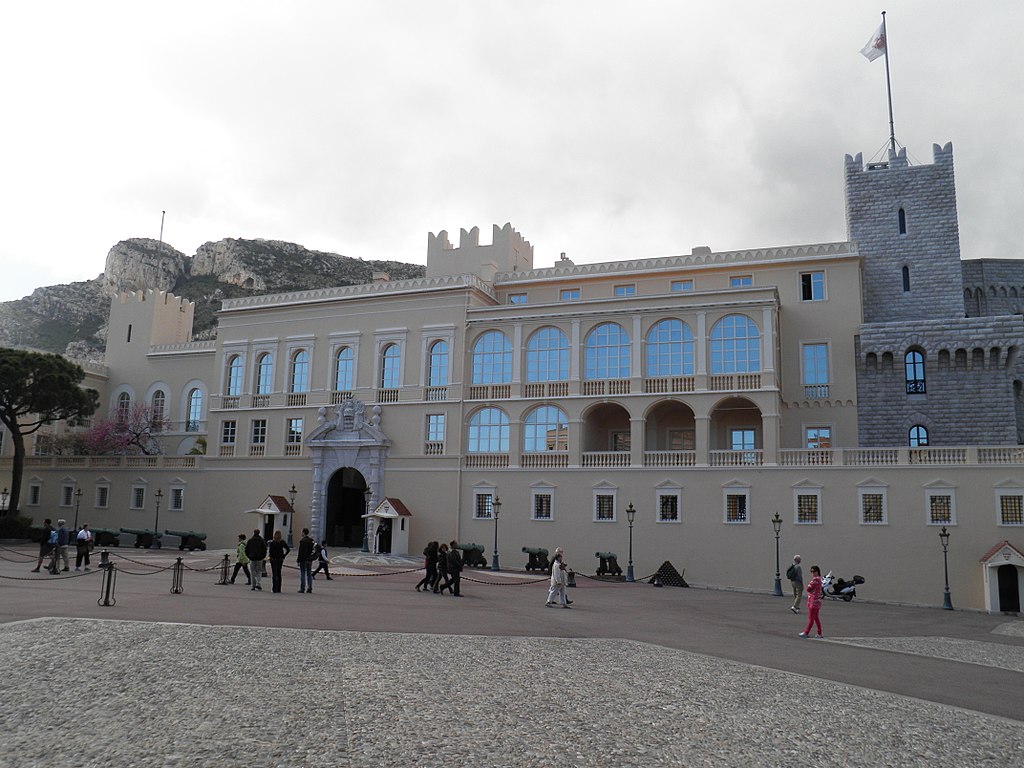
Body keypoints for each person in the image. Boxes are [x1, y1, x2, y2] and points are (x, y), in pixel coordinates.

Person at [799, 565, 824, 638]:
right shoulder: (819, 579)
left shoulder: (815, 580)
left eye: (814, 571)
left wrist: (809, 586)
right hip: (817, 601)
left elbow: (808, 589)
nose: (813, 573)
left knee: (811, 618)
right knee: (816, 618)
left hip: (813, 601)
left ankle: (806, 632)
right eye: (811, 571)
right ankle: (819, 633)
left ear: (817, 572)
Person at [296, 528, 315, 593]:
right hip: (310, 559)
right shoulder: (311, 540)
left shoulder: (302, 541)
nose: (301, 533)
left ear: (303, 533)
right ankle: (310, 587)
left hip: (303, 559)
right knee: (309, 573)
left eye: (302, 532)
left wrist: (298, 560)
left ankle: (302, 588)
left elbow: (300, 552)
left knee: (303, 573)